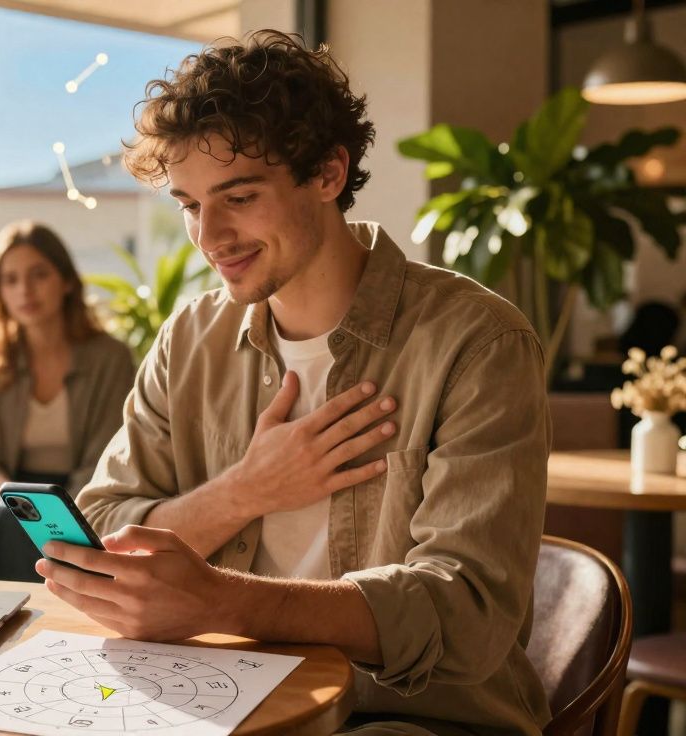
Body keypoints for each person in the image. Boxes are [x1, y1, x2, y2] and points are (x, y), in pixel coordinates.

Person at [35, 32, 552, 734]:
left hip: (409, 718)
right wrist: (244, 492)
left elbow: (466, 613)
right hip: (221, 699)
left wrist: (224, 602)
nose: (209, 236)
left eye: (239, 196)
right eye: (189, 205)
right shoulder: (189, 340)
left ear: (329, 173)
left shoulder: (477, 342)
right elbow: (101, 532)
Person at [0, 221, 135, 581]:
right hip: (8, 495)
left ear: (66, 281)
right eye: (10, 280)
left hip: (87, 494)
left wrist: (58, 512)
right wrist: (16, 500)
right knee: (3, 520)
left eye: (39, 275)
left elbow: (110, 453)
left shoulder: (110, 358)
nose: (25, 290)